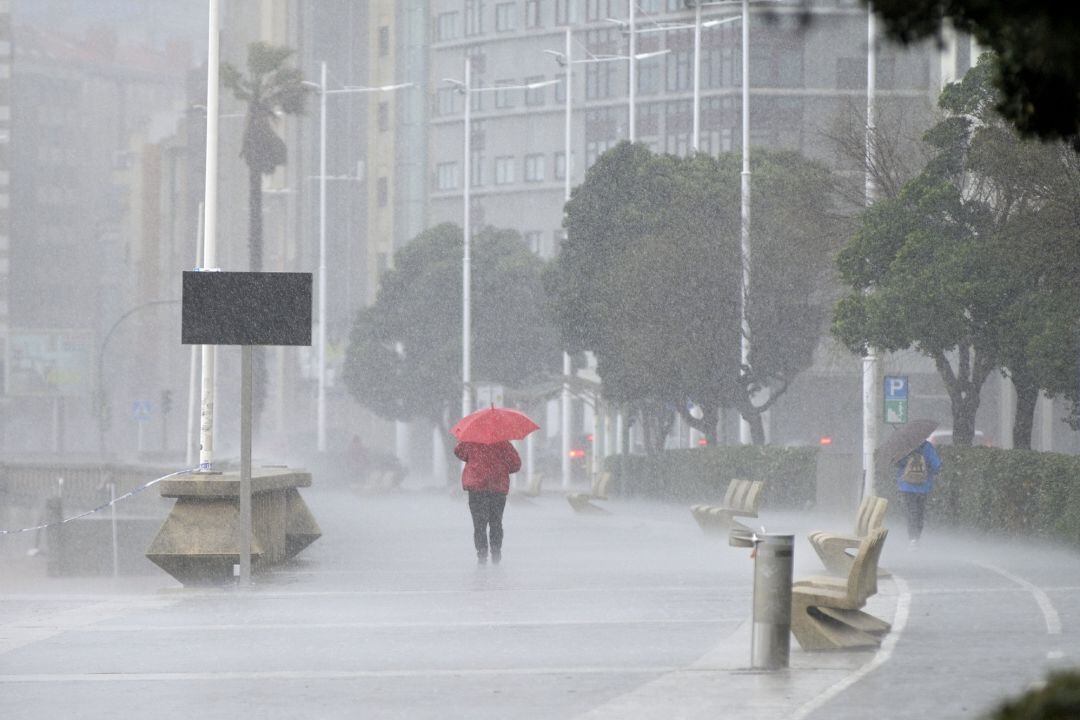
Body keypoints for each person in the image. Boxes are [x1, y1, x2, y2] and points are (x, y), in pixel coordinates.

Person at [454, 440, 521, 564]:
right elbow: (516, 464)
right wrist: (502, 467)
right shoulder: (504, 444)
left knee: (479, 525)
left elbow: (458, 452)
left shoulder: (471, 441)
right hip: (497, 488)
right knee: (496, 522)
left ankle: (482, 555)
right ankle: (496, 553)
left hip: (477, 489)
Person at [895, 438, 942, 549]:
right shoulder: (927, 447)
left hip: (907, 486)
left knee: (911, 511)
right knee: (920, 512)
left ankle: (912, 538)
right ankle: (917, 537)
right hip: (923, 486)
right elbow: (936, 466)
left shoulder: (905, 446)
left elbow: (898, 462)